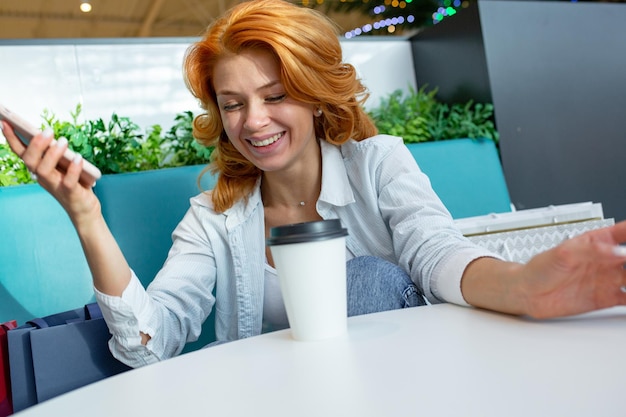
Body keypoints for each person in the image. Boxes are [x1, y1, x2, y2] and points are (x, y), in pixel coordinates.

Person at [3, 0, 626, 368]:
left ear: (315, 97)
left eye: (275, 96)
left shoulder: (377, 161)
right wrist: (85, 214)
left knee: (370, 278)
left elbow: (435, 251)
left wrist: (522, 287)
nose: (254, 122)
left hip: (405, 384)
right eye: (233, 103)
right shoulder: (213, 215)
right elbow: (149, 344)